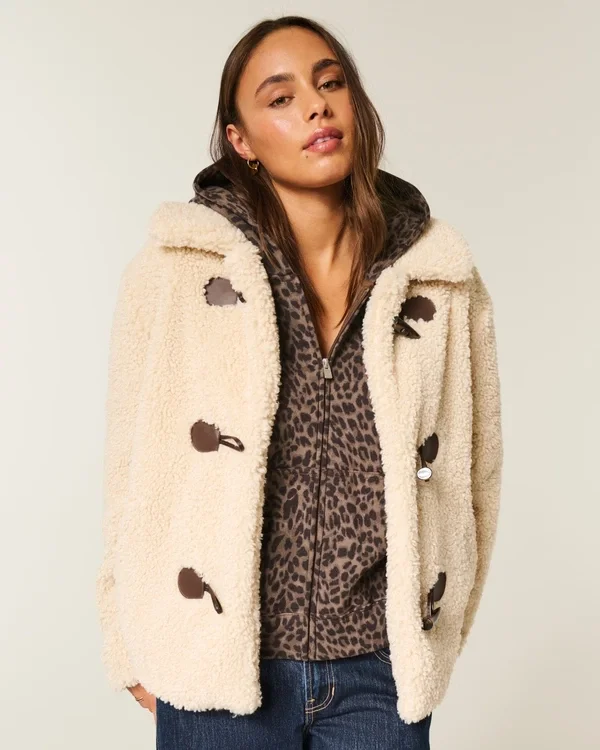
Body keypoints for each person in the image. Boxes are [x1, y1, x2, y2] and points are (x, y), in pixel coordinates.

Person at [96, 14, 503, 750]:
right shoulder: (176, 271)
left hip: (379, 678)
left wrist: (436, 639)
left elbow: (477, 474)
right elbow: (132, 467)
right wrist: (127, 645)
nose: (316, 107)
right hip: (219, 673)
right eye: (280, 98)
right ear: (241, 141)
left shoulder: (439, 280)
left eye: (330, 84)